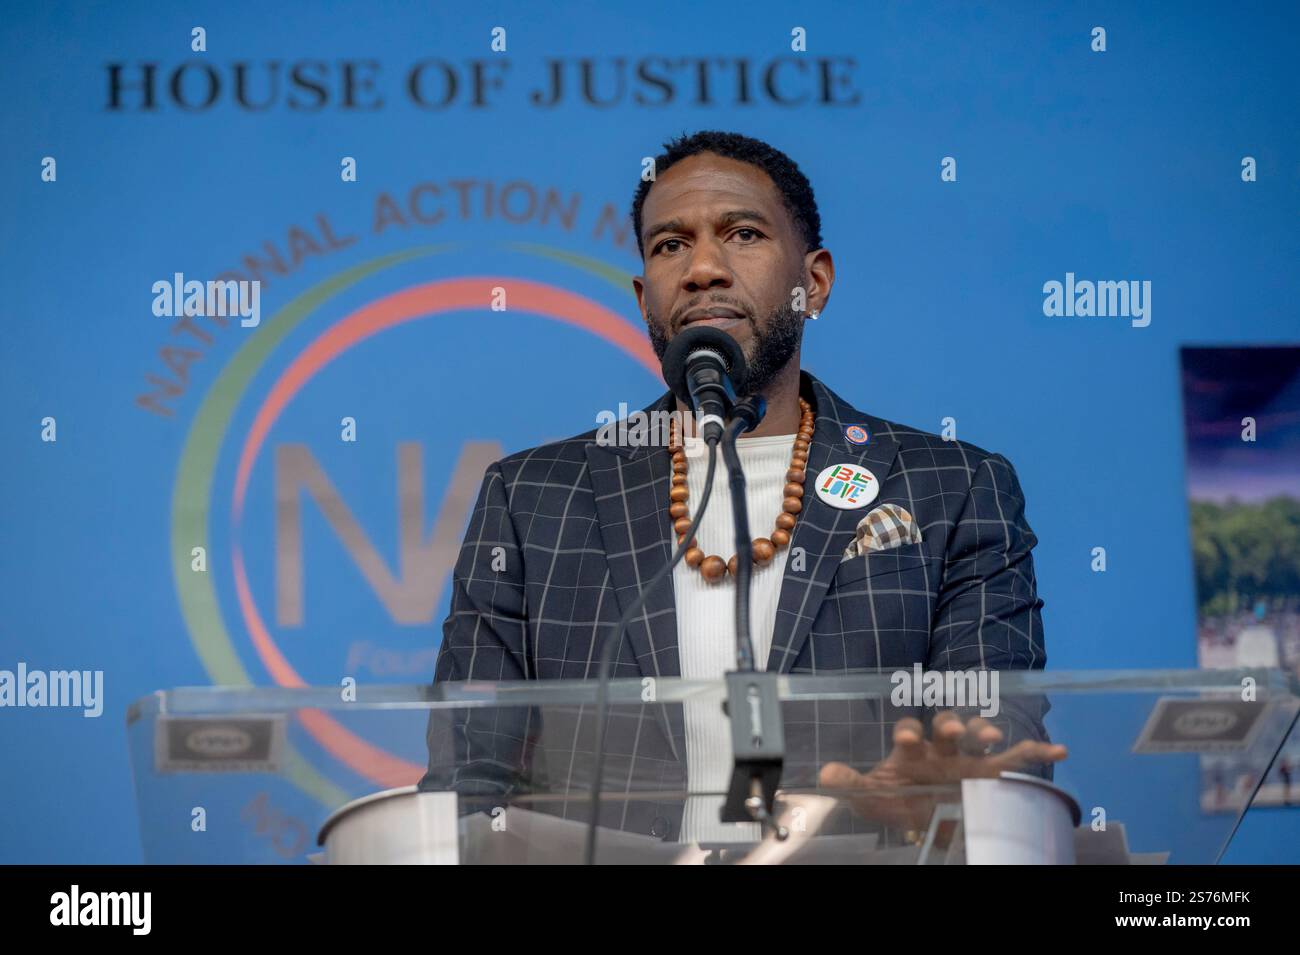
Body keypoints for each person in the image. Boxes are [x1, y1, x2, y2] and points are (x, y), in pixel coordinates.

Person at [425, 131, 1064, 845]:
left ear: (813, 281)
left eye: (744, 233)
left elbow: (995, 742)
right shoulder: (531, 496)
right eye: (669, 245)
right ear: (645, 299)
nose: (702, 268)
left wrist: (945, 787)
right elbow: (468, 781)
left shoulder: (954, 488)